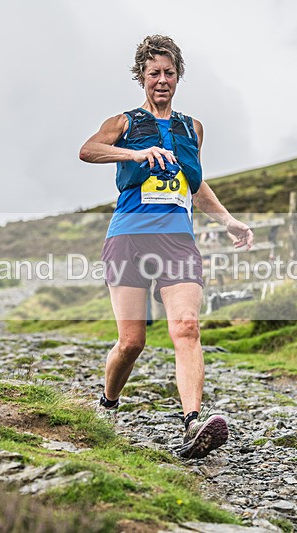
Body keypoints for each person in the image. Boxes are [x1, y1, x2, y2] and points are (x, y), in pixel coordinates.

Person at [79, 35, 253, 459]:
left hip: (178, 240)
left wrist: (228, 220)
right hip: (129, 237)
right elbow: (88, 150)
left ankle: (193, 423)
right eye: (153, 72)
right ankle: (108, 404)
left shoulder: (192, 128)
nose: (161, 80)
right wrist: (134, 156)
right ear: (141, 76)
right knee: (132, 341)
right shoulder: (124, 122)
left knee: (187, 327)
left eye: (169, 72)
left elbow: (195, 184)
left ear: (178, 77)